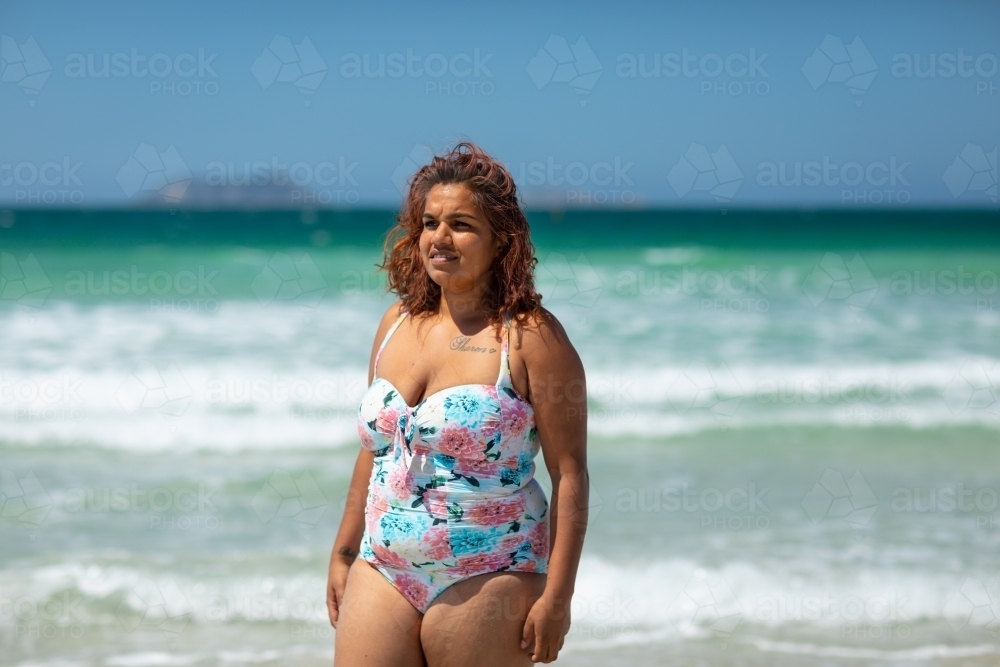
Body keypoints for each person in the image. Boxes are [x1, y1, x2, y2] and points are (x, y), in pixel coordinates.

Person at [326, 142, 589, 666]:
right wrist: (343, 550)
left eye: (462, 225)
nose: (439, 239)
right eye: (429, 223)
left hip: (490, 570)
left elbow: (570, 474)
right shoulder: (396, 324)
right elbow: (379, 448)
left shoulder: (532, 337)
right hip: (382, 568)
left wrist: (558, 599)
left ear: (501, 241)